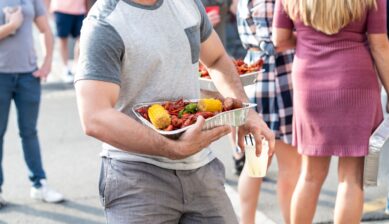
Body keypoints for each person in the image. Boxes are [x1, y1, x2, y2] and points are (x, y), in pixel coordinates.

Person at [74, 0, 275, 223]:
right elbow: (95, 117)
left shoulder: (187, 3)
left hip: (202, 171)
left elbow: (217, 59)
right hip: (136, 178)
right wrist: (173, 149)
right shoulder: (104, 23)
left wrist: (246, 112)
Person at [273, 0, 388, 223]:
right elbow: (379, 45)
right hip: (356, 79)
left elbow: (280, 40)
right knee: (351, 179)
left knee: (310, 176)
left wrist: (308, 39)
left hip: (310, 80)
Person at [236, 0, 301, 223]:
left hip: (259, 79)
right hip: (277, 81)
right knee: (287, 167)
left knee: (256, 165)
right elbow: (273, 43)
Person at [0, 0, 64, 207]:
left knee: (29, 132)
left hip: (28, 77)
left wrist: (46, 63)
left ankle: (39, 185)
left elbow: (45, 30)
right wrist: (11, 26)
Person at [46, 0, 87, 82]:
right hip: (61, 9)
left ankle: (77, 67)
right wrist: (48, 11)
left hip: (80, 10)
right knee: (63, 40)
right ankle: (66, 69)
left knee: (82, 39)